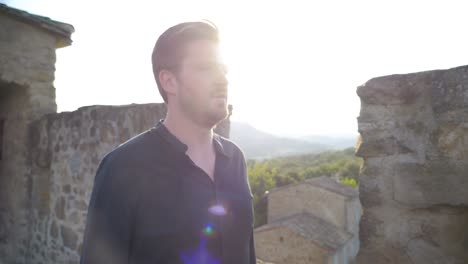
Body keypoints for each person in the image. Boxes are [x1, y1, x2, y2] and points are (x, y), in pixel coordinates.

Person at [80, 21, 256, 264]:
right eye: (206, 68)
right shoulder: (123, 169)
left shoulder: (235, 159)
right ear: (169, 82)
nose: (222, 79)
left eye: (223, 69)